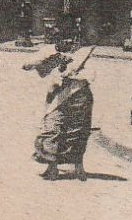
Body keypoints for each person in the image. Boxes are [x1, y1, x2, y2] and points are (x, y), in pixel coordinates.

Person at [26, 48, 93, 179]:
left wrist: (70, 71)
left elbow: (89, 73)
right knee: (51, 130)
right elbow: (28, 64)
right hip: (58, 97)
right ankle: (52, 167)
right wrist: (40, 63)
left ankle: (78, 168)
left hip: (79, 96)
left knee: (77, 132)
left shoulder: (83, 52)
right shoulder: (52, 53)